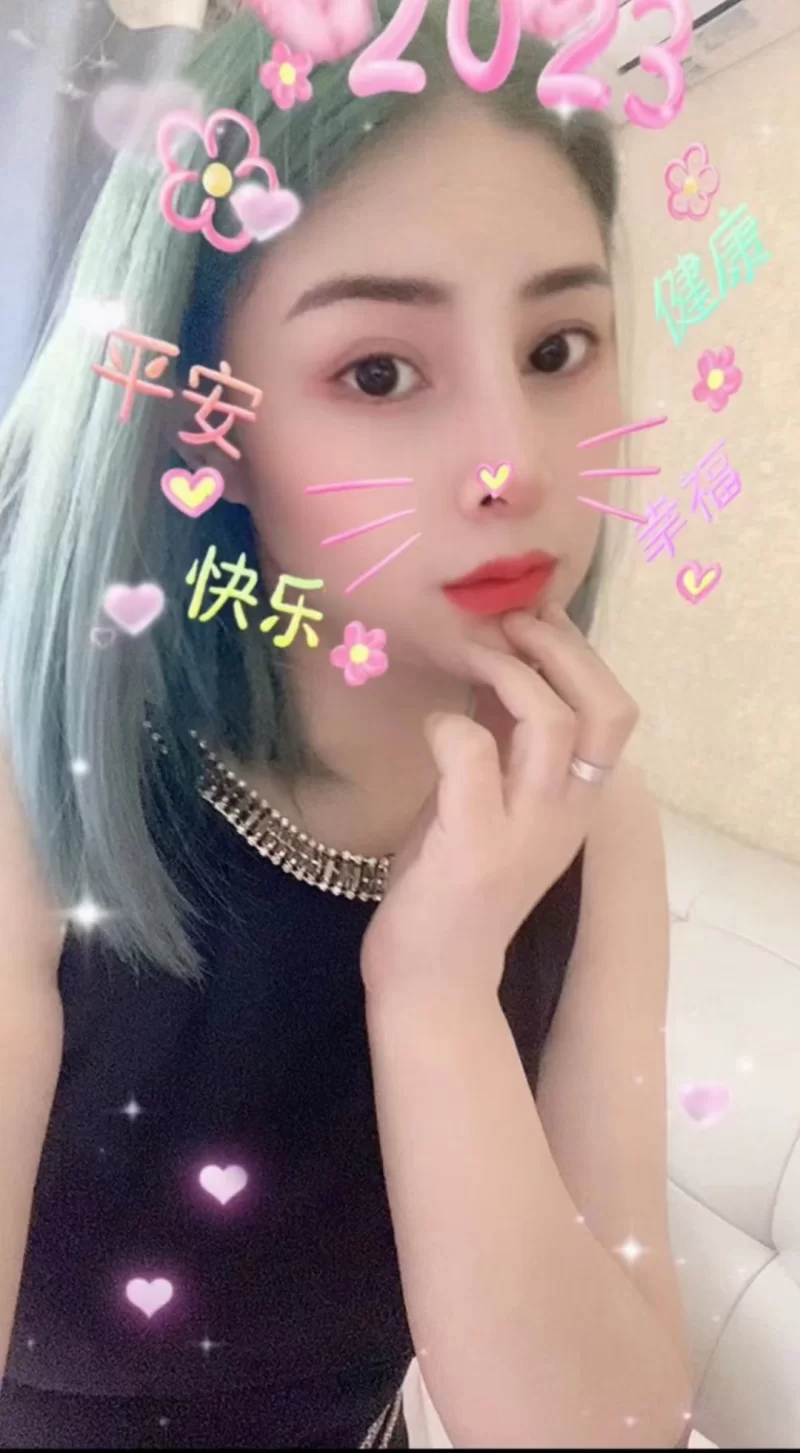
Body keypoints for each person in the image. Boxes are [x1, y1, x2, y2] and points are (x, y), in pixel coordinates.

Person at [0, 1, 693, 1446]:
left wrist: (436, 989)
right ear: (207, 424)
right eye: (379, 372)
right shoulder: (36, 773)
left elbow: (604, 1428)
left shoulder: (588, 817)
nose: (513, 465)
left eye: (559, 348)